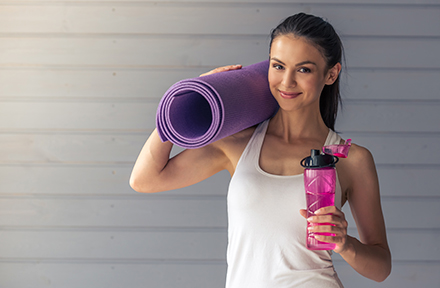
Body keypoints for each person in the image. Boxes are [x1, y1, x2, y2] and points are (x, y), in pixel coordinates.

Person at [130, 13, 391, 287]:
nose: (287, 82)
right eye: (278, 66)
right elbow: (144, 179)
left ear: (331, 74)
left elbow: (380, 267)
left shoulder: (351, 159)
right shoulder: (236, 144)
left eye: (304, 70)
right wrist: (182, 100)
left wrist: (344, 244)